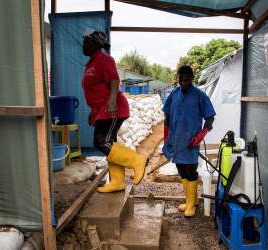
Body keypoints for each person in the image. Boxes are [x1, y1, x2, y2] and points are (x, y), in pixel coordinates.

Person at [81, 30, 147, 193]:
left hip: (112, 109)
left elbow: (114, 80)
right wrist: (94, 111)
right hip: (102, 110)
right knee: (110, 143)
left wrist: (111, 101)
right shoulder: (91, 63)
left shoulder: (104, 59)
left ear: (96, 43)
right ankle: (117, 182)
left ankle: (136, 160)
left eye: (86, 42)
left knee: (101, 142)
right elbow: (96, 90)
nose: (83, 45)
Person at [163, 65, 215, 217]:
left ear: (192, 78)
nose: (183, 82)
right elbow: (166, 115)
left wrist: (201, 135)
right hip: (176, 140)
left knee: (190, 171)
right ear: (177, 78)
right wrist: (166, 136)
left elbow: (210, 118)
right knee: (181, 170)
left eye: (187, 79)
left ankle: (192, 204)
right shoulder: (174, 93)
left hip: (191, 141)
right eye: (181, 79)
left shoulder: (199, 95)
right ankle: (189, 200)